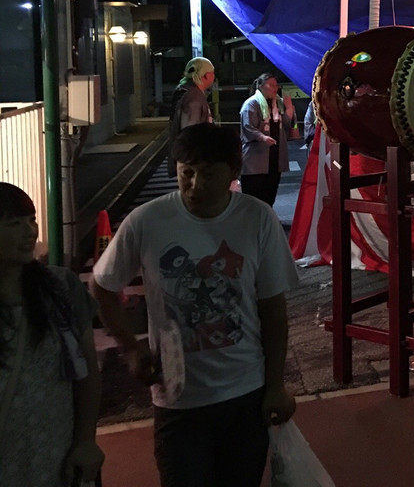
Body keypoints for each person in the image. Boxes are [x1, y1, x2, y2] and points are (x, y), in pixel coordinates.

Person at [92, 123, 299, 487]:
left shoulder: (257, 218)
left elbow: (273, 310)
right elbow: (103, 284)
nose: (194, 184)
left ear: (234, 173)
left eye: (208, 174)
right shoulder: (147, 221)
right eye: (186, 172)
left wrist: (275, 385)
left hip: (245, 394)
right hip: (177, 399)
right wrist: (131, 348)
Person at [0, 183, 104, 487]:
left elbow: (87, 368)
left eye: (31, 219)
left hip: (55, 456)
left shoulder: (60, 288)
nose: (29, 231)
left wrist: (86, 440)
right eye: (14, 223)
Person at [239, 73, 296, 206]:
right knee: (254, 196)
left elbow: (287, 125)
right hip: (255, 160)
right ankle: (253, 222)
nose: (275, 88)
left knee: (270, 193)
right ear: (261, 86)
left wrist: (289, 109)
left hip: (274, 158)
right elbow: (248, 127)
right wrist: (262, 137)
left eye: (276, 85)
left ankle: (267, 218)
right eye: (271, 85)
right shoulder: (251, 104)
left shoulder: (278, 103)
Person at [167, 56, 215, 176]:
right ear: (207, 76)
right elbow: (191, 131)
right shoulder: (194, 97)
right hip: (193, 160)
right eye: (213, 73)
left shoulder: (182, 90)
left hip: (182, 155)